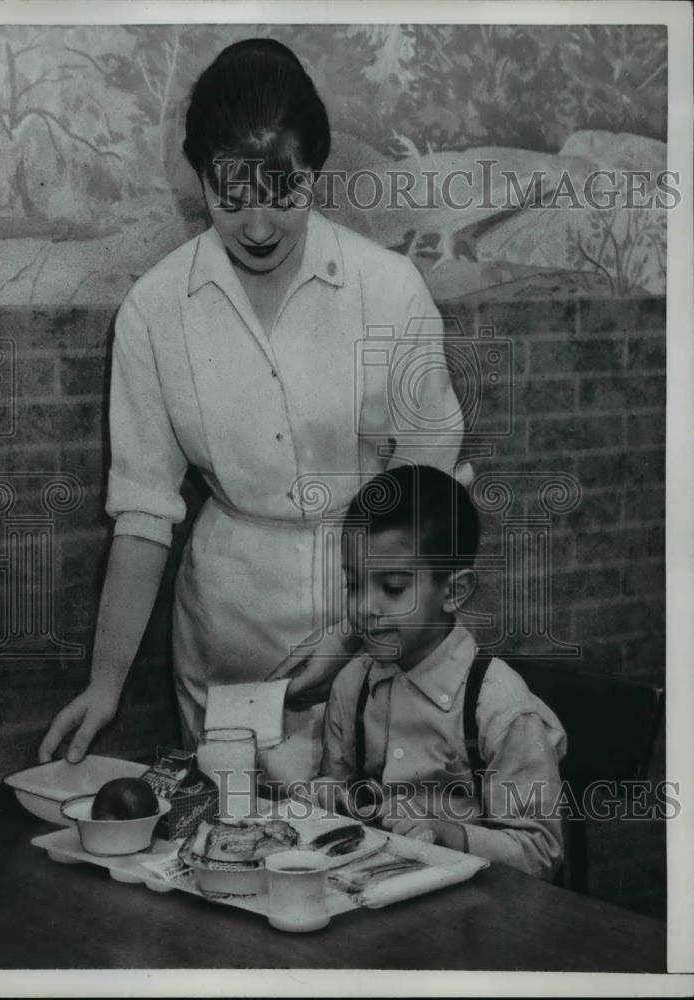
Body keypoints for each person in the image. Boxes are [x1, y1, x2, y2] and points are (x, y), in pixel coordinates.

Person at [38, 39, 466, 776]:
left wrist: (353, 636)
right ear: (198, 179)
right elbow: (143, 516)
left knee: (380, 853)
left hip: (378, 615)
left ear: (316, 173)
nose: (259, 226)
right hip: (226, 635)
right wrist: (104, 684)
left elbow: (428, 489)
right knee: (239, 852)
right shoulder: (154, 310)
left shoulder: (388, 291)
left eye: (284, 193)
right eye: (230, 198)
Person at [306, 464, 567, 879]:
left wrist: (451, 835)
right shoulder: (353, 684)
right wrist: (324, 797)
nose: (362, 608)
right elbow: (335, 787)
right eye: (354, 585)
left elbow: (540, 852)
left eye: (392, 587)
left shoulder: (499, 706)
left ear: (454, 591)